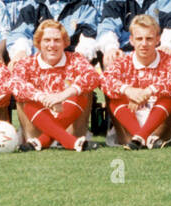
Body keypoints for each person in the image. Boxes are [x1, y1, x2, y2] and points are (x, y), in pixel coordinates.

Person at [11, 20, 103, 151]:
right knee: (25, 99)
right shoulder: (27, 63)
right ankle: (72, 142)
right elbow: (15, 84)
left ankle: (41, 142)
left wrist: (63, 95)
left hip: (69, 118)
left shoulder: (75, 59)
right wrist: (44, 98)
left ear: (65, 43)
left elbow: (93, 77)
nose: (52, 45)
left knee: (82, 92)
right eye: (47, 40)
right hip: (38, 120)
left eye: (57, 40)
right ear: (38, 43)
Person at [101, 14, 171, 148]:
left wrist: (149, 91)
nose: (144, 44)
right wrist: (128, 91)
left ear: (157, 40)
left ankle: (141, 137)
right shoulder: (123, 62)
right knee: (114, 95)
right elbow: (105, 81)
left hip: (160, 122)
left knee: (169, 96)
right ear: (131, 40)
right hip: (130, 119)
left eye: (149, 39)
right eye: (139, 39)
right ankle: (139, 137)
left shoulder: (170, 61)